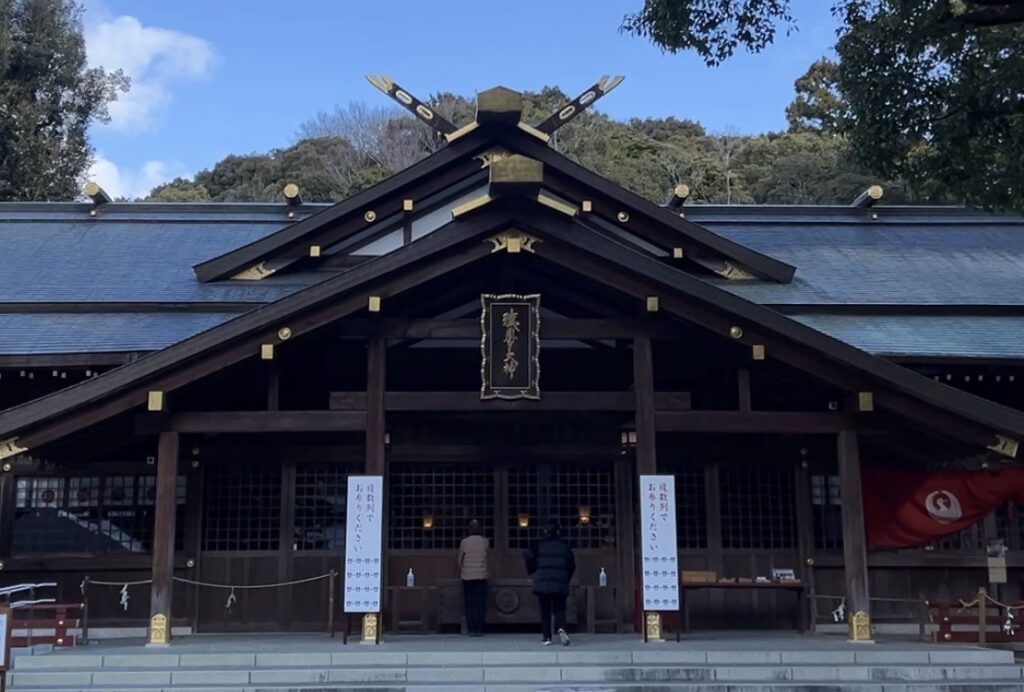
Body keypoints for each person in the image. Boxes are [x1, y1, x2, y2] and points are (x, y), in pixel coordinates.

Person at [525, 520, 576, 646]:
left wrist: (534, 570)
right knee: (559, 608)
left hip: (543, 580)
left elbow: (528, 555)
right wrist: (565, 578)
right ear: (558, 532)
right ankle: (562, 628)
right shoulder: (564, 546)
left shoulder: (539, 545)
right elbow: (571, 564)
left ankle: (547, 637)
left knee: (545, 610)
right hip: (559, 581)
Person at [457, 518, 489, 636]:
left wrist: (464, 568)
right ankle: (480, 629)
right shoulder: (485, 541)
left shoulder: (464, 542)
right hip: (481, 575)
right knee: (480, 603)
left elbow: (460, 560)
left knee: (469, 603)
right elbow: (487, 557)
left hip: (467, 576)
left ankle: (471, 629)